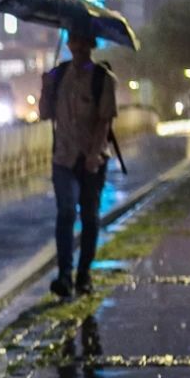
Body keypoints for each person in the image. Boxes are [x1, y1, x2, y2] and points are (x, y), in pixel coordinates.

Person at [39, 25, 117, 298]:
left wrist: (95, 154)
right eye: (74, 40)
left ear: (90, 44)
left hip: (91, 159)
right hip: (63, 158)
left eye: (83, 41)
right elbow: (45, 114)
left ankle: (83, 274)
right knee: (66, 212)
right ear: (69, 44)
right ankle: (64, 275)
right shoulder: (58, 76)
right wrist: (45, 88)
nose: (78, 46)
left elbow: (105, 121)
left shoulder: (102, 78)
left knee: (90, 217)